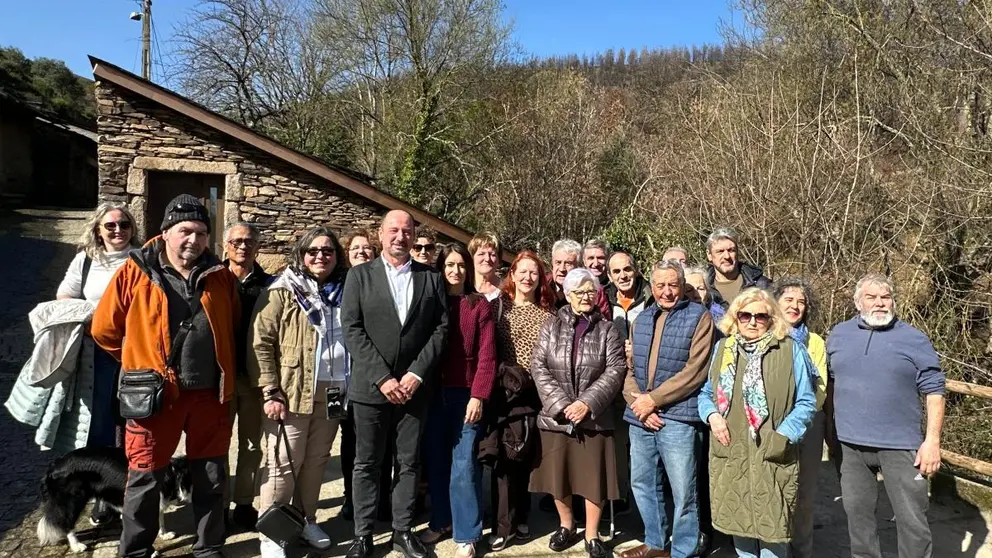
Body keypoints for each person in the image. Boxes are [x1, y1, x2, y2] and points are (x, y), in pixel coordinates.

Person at [91, 194, 239, 558]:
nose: (194, 239)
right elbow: (104, 330)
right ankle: (137, 551)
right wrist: (137, 361)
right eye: (186, 230)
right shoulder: (135, 271)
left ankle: (208, 547)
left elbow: (232, 325)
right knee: (144, 477)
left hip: (209, 395)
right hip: (154, 396)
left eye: (202, 232)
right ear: (167, 232)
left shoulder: (220, 276)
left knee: (211, 477)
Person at [341, 209, 448, 558]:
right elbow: (352, 330)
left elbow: (440, 329)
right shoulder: (359, 276)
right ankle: (363, 534)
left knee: (408, 463)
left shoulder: (431, 279)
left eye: (406, 230)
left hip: (414, 390)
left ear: (414, 234)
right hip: (371, 388)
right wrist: (383, 377)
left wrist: (416, 374)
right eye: (393, 230)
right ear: (380, 234)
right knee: (367, 463)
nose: (400, 236)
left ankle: (402, 531)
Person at [826, 274, 945, 558]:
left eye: (885, 297)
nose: (880, 303)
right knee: (858, 520)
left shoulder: (913, 339)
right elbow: (830, 384)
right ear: (857, 302)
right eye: (871, 297)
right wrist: (831, 427)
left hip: (901, 446)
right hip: (850, 446)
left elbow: (935, 391)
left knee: (912, 522)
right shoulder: (839, 335)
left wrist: (932, 441)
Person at [248, 227, 349, 557]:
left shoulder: (343, 291)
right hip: (292, 390)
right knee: (282, 463)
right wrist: (270, 390)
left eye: (328, 251)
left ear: (337, 256)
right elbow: (260, 342)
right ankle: (272, 531)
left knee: (316, 461)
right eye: (313, 251)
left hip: (334, 389)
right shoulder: (282, 290)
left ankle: (306, 519)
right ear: (302, 255)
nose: (321, 256)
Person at [698, 287, 815, 558]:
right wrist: (712, 416)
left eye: (760, 316)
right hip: (731, 453)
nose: (752, 321)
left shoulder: (789, 349)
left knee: (773, 534)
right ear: (735, 317)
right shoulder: (723, 349)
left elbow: (806, 401)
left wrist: (783, 436)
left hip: (772, 453)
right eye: (745, 315)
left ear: (772, 318)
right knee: (741, 532)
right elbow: (706, 393)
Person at [530, 268, 626, 558]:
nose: (586, 296)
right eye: (579, 291)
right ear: (568, 295)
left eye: (590, 291)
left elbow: (616, 369)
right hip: (556, 417)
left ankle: (593, 535)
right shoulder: (550, 326)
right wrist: (560, 405)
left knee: (592, 478)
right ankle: (566, 525)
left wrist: (586, 403)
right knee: (559, 476)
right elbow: (539, 366)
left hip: (593, 417)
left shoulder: (607, 329)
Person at [622, 260, 715, 558]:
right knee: (642, 482)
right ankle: (655, 543)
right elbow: (630, 370)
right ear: (652, 286)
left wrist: (655, 400)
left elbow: (695, 371)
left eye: (672, 285)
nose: (666, 291)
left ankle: (683, 550)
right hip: (640, 417)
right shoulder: (642, 319)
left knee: (683, 490)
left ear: (682, 286)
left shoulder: (699, 317)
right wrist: (640, 403)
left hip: (679, 418)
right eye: (660, 285)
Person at [59, 202, 139, 524]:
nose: (118, 230)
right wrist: (95, 316)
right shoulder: (86, 261)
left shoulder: (143, 259)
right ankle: (104, 494)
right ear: (98, 229)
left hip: (135, 354)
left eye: (124, 225)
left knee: (133, 423)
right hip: (97, 357)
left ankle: (133, 491)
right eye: (110, 226)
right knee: (101, 425)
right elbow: (64, 297)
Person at [419, 244, 497, 558]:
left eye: (461, 265)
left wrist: (478, 395)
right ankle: (441, 522)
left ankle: (468, 532)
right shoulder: (429, 303)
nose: (455, 271)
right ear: (440, 268)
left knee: (464, 465)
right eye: (449, 265)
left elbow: (487, 357)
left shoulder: (478, 306)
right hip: (433, 395)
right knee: (436, 461)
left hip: (466, 394)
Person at [486, 250, 555, 552]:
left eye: (534, 273)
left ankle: (522, 515)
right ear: (512, 275)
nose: (528, 277)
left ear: (540, 279)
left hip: (531, 394)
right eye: (522, 271)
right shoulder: (499, 308)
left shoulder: (549, 316)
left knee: (523, 457)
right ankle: (503, 526)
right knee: (502, 460)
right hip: (501, 393)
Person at [770, 277, 827, 558]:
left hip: (808, 424)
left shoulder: (814, 342)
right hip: (770, 424)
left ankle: (802, 551)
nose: (795, 306)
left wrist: (795, 416)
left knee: (804, 494)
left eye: (801, 302)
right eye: (789, 300)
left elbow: (820, 390)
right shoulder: (763, 335)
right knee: (774, 489)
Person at [336, 228, 390, 522]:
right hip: (345, 377)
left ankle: (381, 498)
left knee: (382, 444)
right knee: (352, 443)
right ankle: (351, 498)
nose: (362, 252)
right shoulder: (338, 286)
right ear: (347, 254)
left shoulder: (381, 283)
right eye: (356, 248)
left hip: (377, 375)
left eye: (367, 248)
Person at [222, 222, 273, 532]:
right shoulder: (212, 280)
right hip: (221, 377)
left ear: (258, 247)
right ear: (226, 245)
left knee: (252, 445)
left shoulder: (269, 286)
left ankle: (243, 503)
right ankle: (218, 502)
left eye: (250, 242)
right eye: (237, 241)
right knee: (217, 443)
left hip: (254, 378)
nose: (243, 247)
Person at [704, 228, 771, 310]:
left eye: (731, 250)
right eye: (720, 251)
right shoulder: (703, 288)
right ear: (709, 255)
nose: (727, 256)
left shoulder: (760, 284)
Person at [549, 239, 611, 316]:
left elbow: (603, 323)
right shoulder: (541, 286)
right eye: (558, 262)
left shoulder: (595, 291)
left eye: (568, 263)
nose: (562, 269)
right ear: (552, 264)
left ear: (578, 267)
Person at [605, 251, 652, 337]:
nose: (623, 276)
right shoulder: (604, 299)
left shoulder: (651, 296)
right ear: (610, 276)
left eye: (627, 269)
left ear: (636, 270)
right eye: (616, 271)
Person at [470, 231, 503, 301]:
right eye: (481, 254)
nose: (487, 259)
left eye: (492, 254)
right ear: (472, 258)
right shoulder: (464, 287)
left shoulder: (507, 291)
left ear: (498, 259)